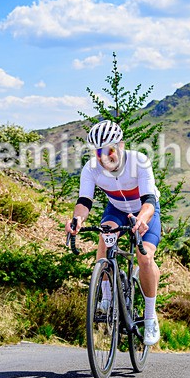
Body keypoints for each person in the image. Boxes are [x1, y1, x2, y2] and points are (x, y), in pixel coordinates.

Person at [65, 120, 163, 346]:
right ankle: (107, 296)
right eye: (98, 152)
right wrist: (77, 219)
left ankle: (150, 317)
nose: (103, 157)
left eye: (109, 150)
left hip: (144, 210)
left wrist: (142, 220)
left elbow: (149, 201)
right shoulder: (91, 169)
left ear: (120, 145)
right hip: (117, 209)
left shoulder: (139, 161)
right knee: (105, 235)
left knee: (145, 257)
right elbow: (84, 201)